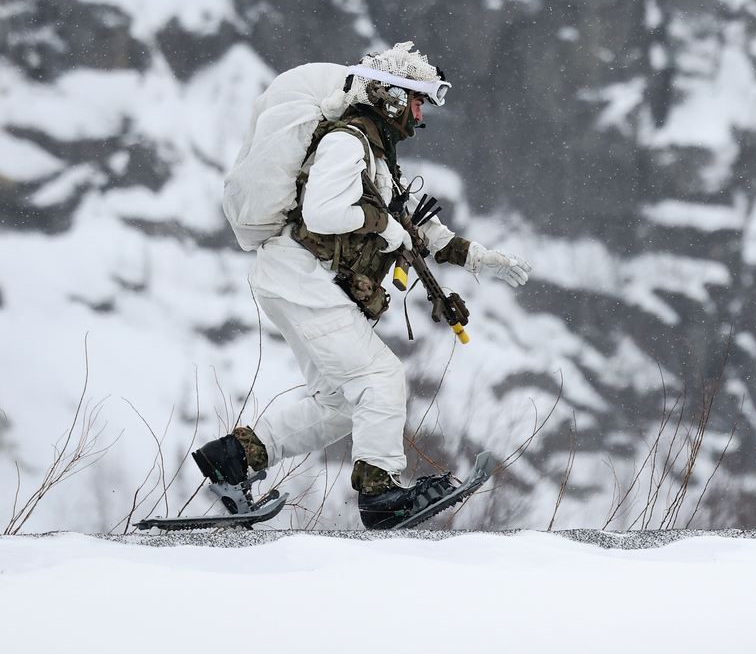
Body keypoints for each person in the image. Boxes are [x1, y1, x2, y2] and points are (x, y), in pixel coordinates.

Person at [196, 42, 531, 528]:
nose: (420, 116)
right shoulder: (348, 141)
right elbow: (325, 213)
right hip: (301, 278)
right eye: (417, 102)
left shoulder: (373, 154)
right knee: (380, 379)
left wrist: (480, 258)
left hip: (295, 282)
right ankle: (382, 494)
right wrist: (385, 227)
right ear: (393, 97)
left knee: (337, 407)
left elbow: (417, 229)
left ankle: (232, 459)